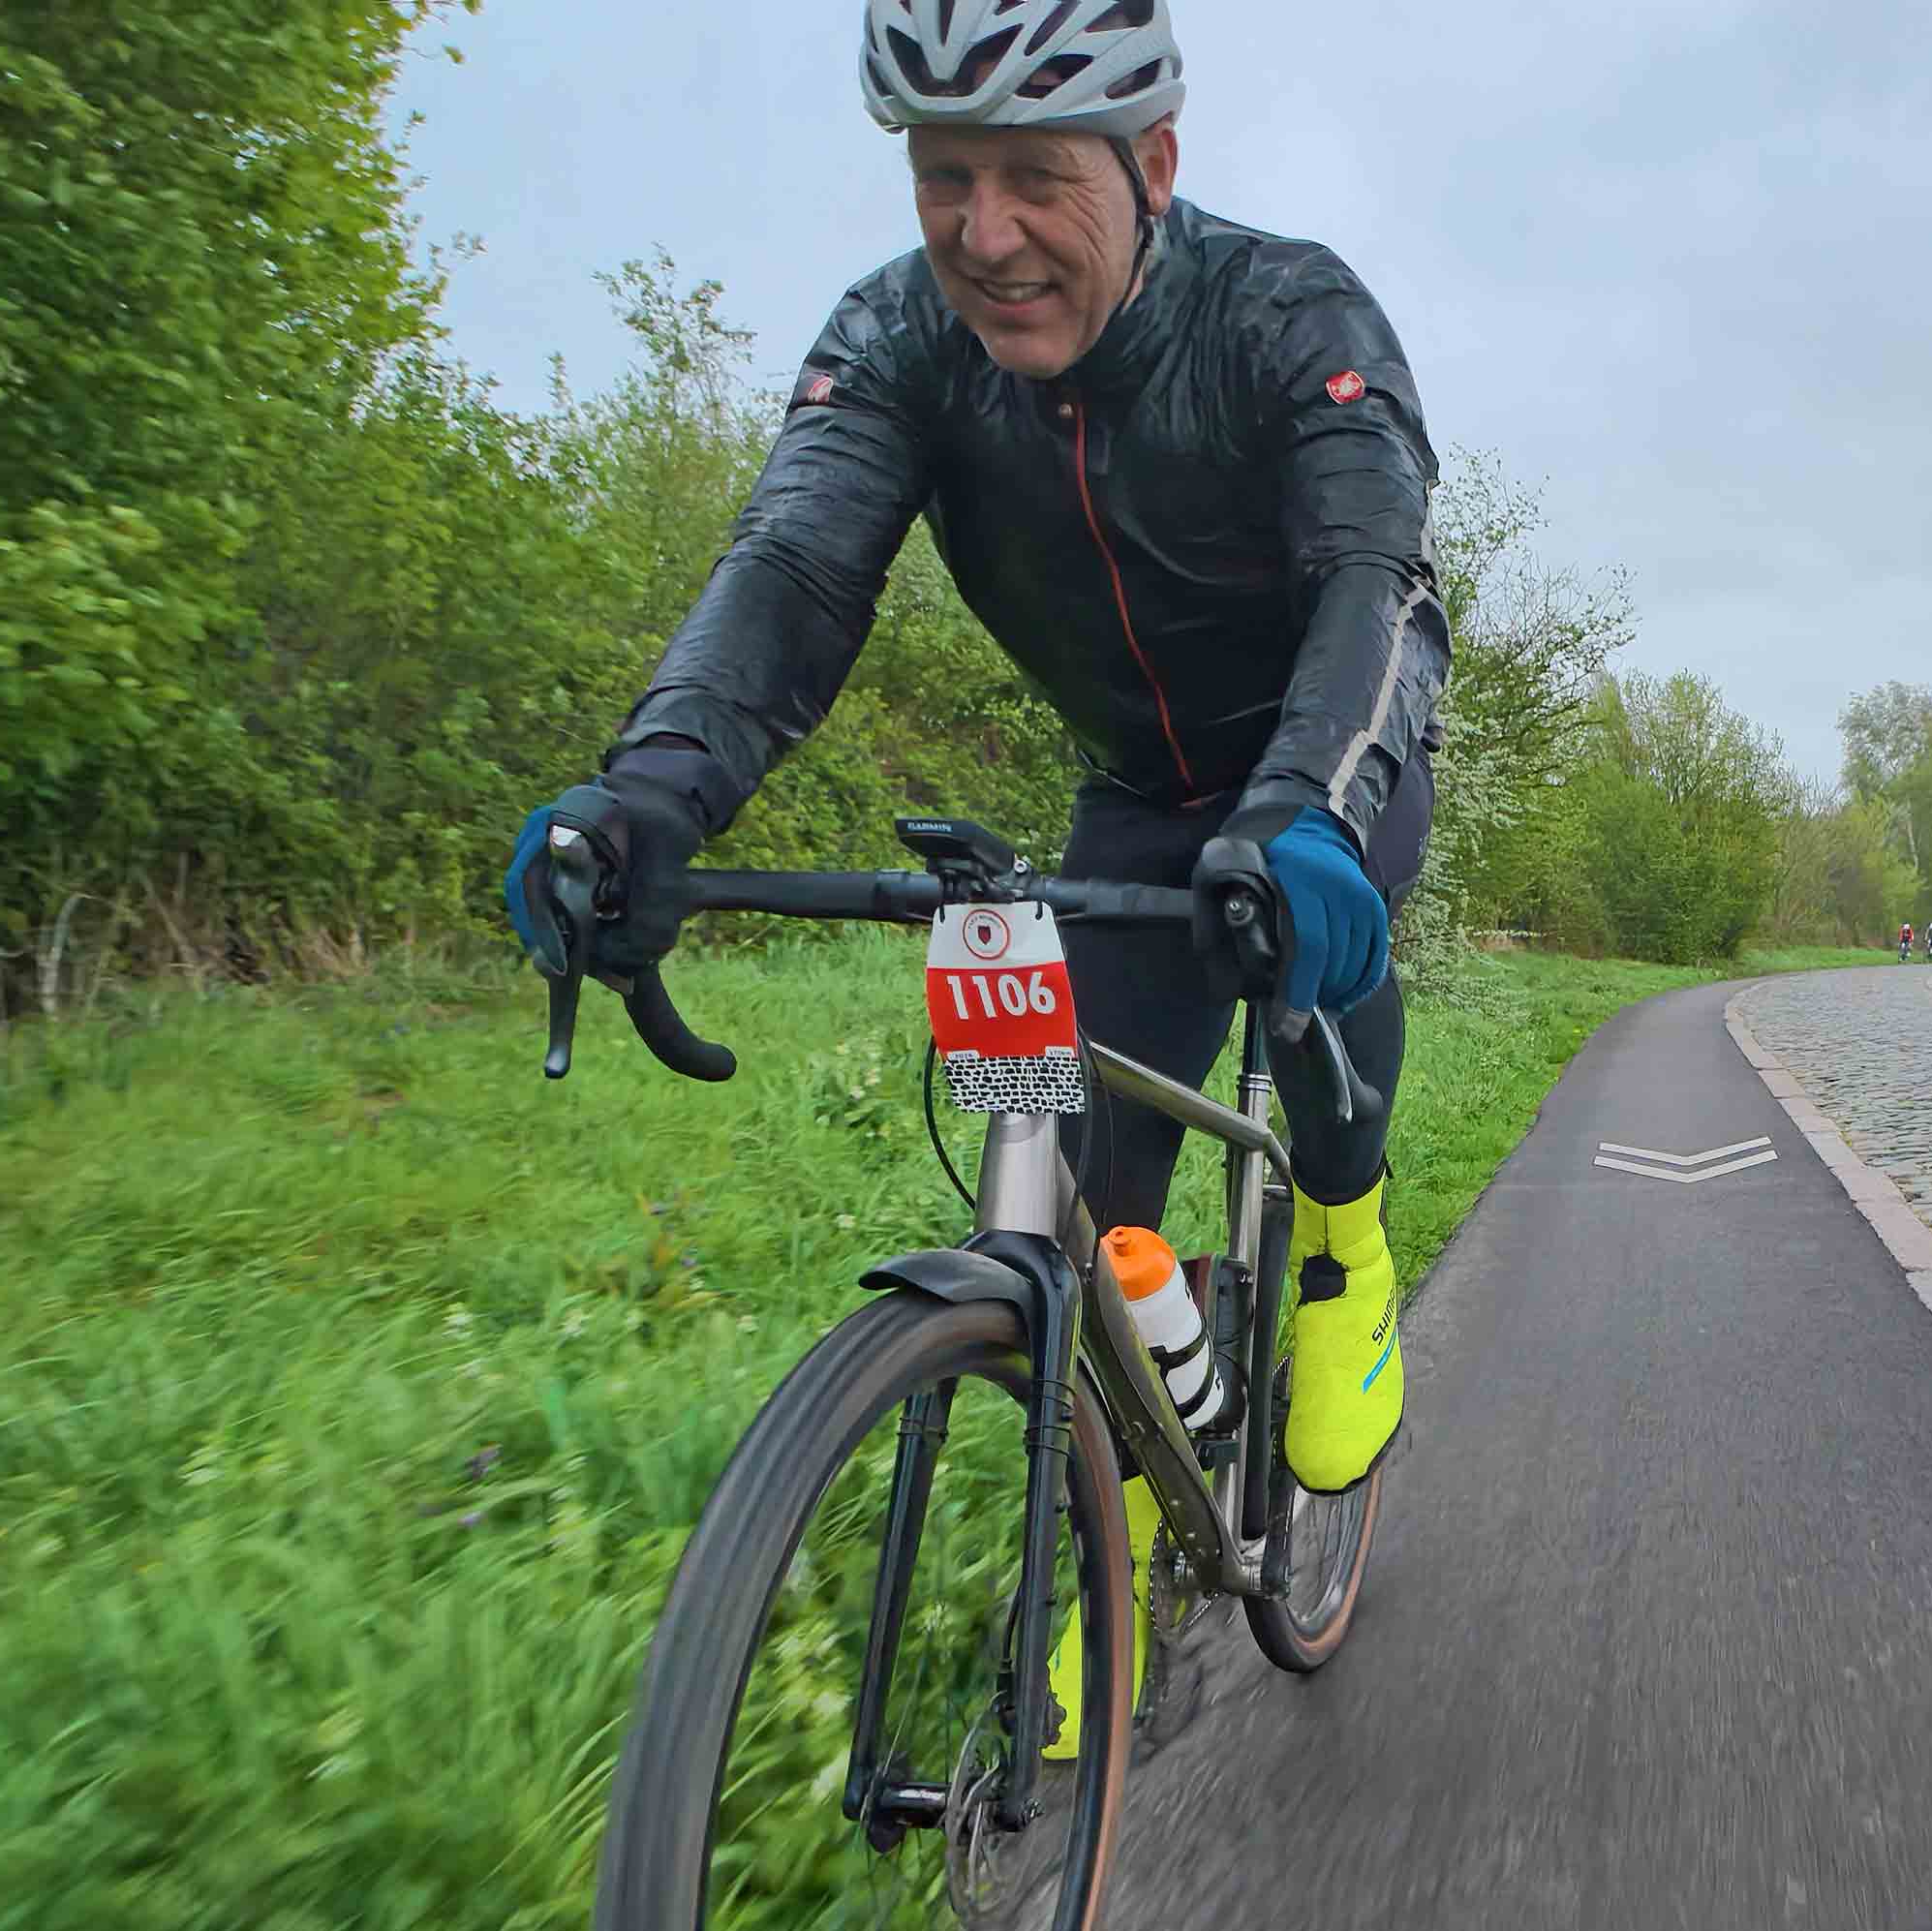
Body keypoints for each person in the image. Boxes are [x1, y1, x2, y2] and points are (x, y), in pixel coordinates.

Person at [498, 0, 1439, 1747]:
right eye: (944, 176)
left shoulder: (1288, 315)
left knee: (1321, 958)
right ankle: (1123, 1524)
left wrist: (1313, 800)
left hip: (1328, 745)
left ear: (1152, 165)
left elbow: (1369, 579)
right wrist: (646, 799)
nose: (983, 234)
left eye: (1033, 177)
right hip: (1136, 795)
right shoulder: (896, 342)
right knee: (1083, 1187)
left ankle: (1342, 1245)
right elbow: (794, 569)